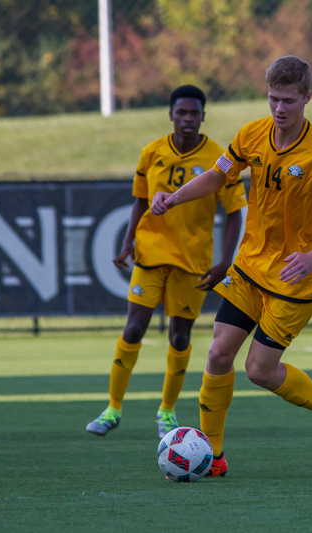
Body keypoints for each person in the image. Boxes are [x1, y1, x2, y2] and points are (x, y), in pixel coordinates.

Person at [151, 56, 312, 475]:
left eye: (289, 100)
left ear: (307, 97)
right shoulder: (252, 134)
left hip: (297, 280)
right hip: (251, 267)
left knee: (258, 370)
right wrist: (173, 197)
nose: (279, 109)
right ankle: (213, 458)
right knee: (217, 354)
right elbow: (218, 178)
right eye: (273, 99)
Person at [86, 85, 247, 439]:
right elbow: (140, 202)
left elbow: (235, 212)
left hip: (193, 261)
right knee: (133, 328)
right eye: (181, 112)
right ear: (170, 114)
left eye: (194, 113)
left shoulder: (220, 158)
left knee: (179, 336)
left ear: (204, 116)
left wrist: (225, 261)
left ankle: (167, 412)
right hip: (150, 254)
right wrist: (127, 242)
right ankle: (113, 408)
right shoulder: (152, 153)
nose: (187, 119)